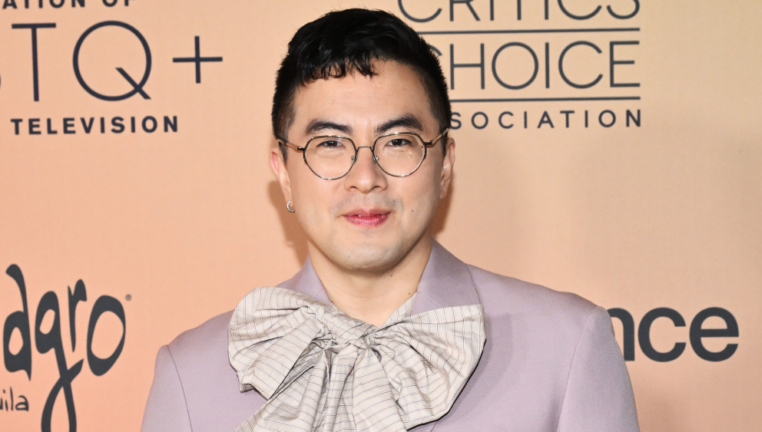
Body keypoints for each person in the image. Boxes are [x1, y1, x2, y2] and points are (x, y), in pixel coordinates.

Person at [142, 8, 639, 432]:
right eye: (330, 144)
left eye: (398, 142)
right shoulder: (191, 376)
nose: (365, 177)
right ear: (284, 173)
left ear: (444, 165)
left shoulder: (567, 347)